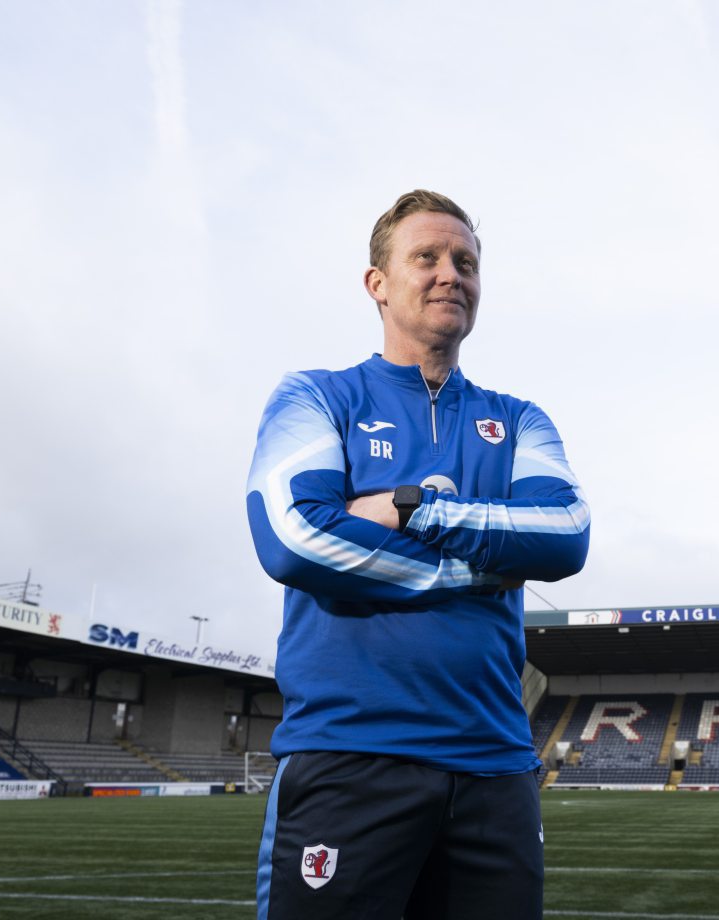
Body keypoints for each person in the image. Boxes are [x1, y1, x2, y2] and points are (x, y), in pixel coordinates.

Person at [246, 189, 591, 919]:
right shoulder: (317, 397)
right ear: (377, 283)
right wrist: (478, 564)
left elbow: (564, 533)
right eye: (426, 257)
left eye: (465, 261)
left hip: (494, 767)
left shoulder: (519, 419)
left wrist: (412, 507)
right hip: (351, 756)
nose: (450, 274)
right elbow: (293, 539)